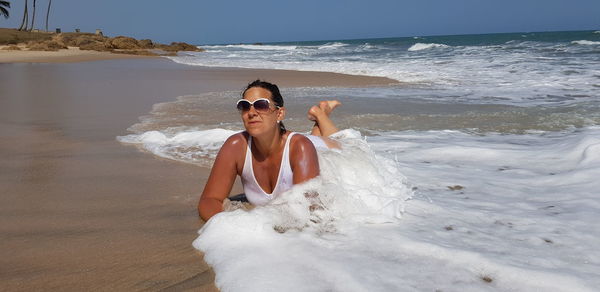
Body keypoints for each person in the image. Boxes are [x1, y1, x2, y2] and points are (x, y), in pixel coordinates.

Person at [198, 80, 341, 221]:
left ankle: (321, 114)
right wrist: (226, 224)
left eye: (261, 105)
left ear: (279, 114)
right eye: (245, 106)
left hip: (330, 152)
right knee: (310, 138)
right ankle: (319, 115)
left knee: (339, 138)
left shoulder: (300, 147)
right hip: (302, 148)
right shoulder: (235, 146)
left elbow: (306, 210)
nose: (251, 112)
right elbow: (209, 199)